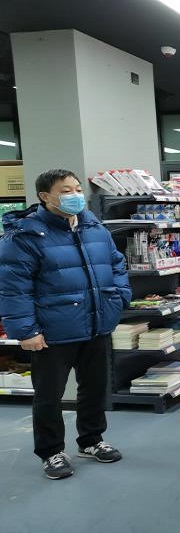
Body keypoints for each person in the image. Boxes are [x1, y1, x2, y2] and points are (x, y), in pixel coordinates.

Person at [0, 169, 131, 479]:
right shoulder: (25, 235)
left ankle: (91, 440)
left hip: (97, 324)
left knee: (94, 388)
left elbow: (116, 263)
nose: (76, 195)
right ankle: (51, 452)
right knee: (49, 395)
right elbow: (13, 288)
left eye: (77, 189)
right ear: (45, 196)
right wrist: (27, 331)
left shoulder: (93, 227)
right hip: (52, 332)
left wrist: (119, 297)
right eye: (66, 191)